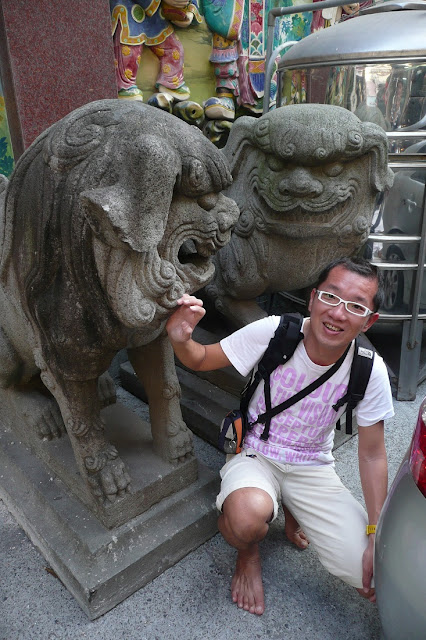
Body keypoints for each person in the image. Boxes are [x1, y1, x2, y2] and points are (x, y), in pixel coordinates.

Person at [166, 256, 394, 616]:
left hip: (312, 465)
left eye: (355, 306)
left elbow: (372, 454)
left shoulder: (369, 369)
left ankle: (292, 506)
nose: (338, 313)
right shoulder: (276, 331)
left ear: (369, 321)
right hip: (256, 451)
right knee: (246, 518)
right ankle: (248, 555)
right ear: (313, 298)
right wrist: (181, 338)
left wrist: (374, 532)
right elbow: (200, 359)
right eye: (331, 296)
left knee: (371, 576)